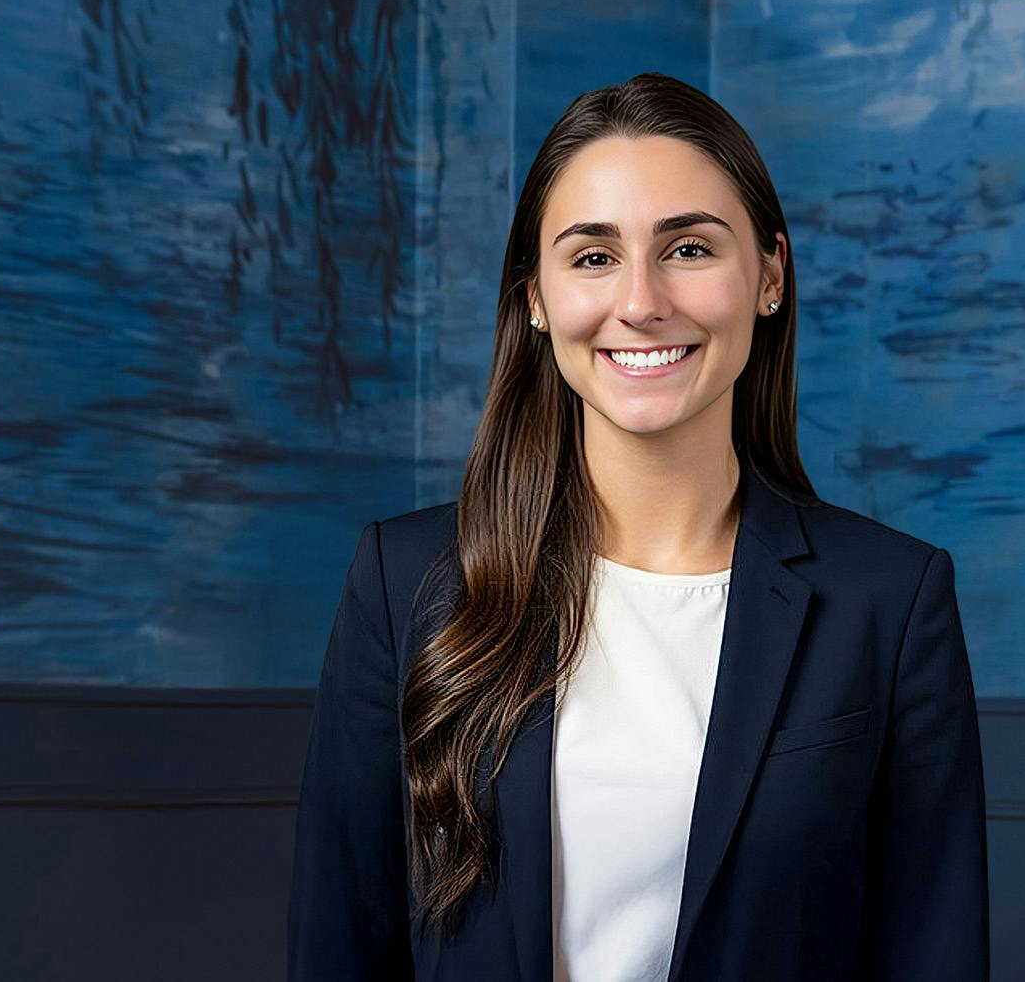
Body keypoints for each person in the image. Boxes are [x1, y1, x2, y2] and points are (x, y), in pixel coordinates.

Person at [286, 71, 988, 982]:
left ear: (769, 275)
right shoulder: (406, 582)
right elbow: (340, 945)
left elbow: (933, 951)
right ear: (535, 296)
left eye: (689, 248)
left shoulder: (890, 602)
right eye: (592, 256)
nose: (642, 300)